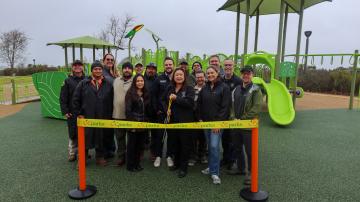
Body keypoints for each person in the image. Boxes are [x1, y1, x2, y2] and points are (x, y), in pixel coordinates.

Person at [72, 61, 114, 166]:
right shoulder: (83, 83)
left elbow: (111, 100)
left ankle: (100, 157)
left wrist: (109, 116)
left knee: (101, 137)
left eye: (100, 69)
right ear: (92, 71)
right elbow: (75, 100)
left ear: (102, 70)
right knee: (85, 138)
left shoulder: (108, 84)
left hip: (102, 117)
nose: (98, 71)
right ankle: (82, 159)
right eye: (95, 69)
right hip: (86, 117)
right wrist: (79, 114)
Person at [228, 66, 262, 186]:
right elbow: (231, 106)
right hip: (236, 125)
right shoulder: (236, 89)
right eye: (244, 73)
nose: (246, 75)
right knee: (237, 148)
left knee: (250, 151)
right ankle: (241, 168)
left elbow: (256, 108)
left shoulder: (256, 90)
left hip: (248, 127)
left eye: (248, 73)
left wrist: (242, 119)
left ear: (252, 75)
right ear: (241, 75)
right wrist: (233, 117)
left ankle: (251, 174)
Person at [197, 66, 231, 185]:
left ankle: (215, 173)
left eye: (212, 72)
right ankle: (211, 167)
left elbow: (225, 107)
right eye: (208, 73)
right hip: (206, 123)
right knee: (210, 147)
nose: (210, 75)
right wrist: (200, 118)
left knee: (214, 146)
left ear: (217, 73)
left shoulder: (224, 88)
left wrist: (218, 123)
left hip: (217, 124)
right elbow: (199, 104)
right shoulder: (205, 88)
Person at [162, 68, 195, 178]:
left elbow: (190, 103)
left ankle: (183, 168)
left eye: (181, 75)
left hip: (185, 122)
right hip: (172, 121)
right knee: (174, 143)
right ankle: (176, 164)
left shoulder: (189, 89)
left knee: (184, 145)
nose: (179, 77)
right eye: (177, 75)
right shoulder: (169, 88)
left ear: (184, 76)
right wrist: (167, 109)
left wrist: (177, 98)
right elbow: (163, 100)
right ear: (173, 77)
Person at [60, 60, 85, 162]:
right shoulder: (67, 81)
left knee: (84, 133)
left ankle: (83, 153)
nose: (78, 67)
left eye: (79, 65)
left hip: (84, 111)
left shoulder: (87, 79)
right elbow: (63, 97)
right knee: (72, 133)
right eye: (75, 65)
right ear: (72, 68)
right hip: (72, 112)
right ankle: (72, 153)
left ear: (82, 67)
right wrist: (65, 110)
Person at [125, 74, 151, 172]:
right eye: (138, 81)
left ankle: (137, 164)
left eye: (142, 81)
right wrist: (134, 124)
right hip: (133, 124)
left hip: (143, 124)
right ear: (134, 82)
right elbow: (128, 110)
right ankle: (130, 166)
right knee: (132, 146)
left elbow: (148, 110)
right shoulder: (130, 93)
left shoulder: (146, 93)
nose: (140, 83)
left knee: (140, 146)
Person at [152, 57, 175, 168]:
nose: (168, 66)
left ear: (173, 65)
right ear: (164, 66)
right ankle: (158, 156)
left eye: (170, 64)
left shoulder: (177, 77)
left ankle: (169, 156)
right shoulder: (159, 78)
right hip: (161, 112)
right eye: (166, 64)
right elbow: (154, 96)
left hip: (174, 114)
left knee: (171, 136)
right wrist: (157, 110)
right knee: (159, 136)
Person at [221, 59, 243, 170]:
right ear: (223, 66)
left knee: (233, 139)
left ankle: (233, 160)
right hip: (223, 113)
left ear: (234, 66)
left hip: (234, 114)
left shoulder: (239, 81)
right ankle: (225, 158)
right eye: (226, 65)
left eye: (230, 65)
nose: (228, 67)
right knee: (224, 138)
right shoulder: (220, 80)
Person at [112, 62, 133, 166]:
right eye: (125, 68)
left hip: (131, 117)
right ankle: (121, 157)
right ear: (122, 69)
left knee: (131, 138)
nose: (127, 70)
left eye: (129, 68)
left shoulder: (136, 81)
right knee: (119, 138)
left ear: (132, 70)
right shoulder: (115, 81)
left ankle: (130, 157)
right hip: (117, 115)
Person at [188, 71, 207, 166]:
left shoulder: (208, 88)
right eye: (198, 77)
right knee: (193, 137)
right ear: (195, 78)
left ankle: (202, 155)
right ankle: (192, 156)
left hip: (205, 117)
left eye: (201, 77)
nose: (200, 79)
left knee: (203, 137)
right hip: (194, 118)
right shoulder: (192, 89)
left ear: (205, 77)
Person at [102, 53, 118, 159]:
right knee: (104, 130)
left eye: (112, 59)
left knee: (110, 129)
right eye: (107, 59)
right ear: (103, 60)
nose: (110, 61)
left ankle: (110, 149)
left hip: (113, 106)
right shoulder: (101, 72)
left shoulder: (115, 73)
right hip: (104, 106)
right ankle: (104, 152)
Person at [144, 62, 158, 160]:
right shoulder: (141, 79)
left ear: (155, 70)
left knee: (155, 134)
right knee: (142, 132)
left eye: (153, 68)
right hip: (143, 110)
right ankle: (141, 150)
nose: (151, 70)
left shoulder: (158, 80)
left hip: (154, 111)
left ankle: (153, 152)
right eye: (149, 68)